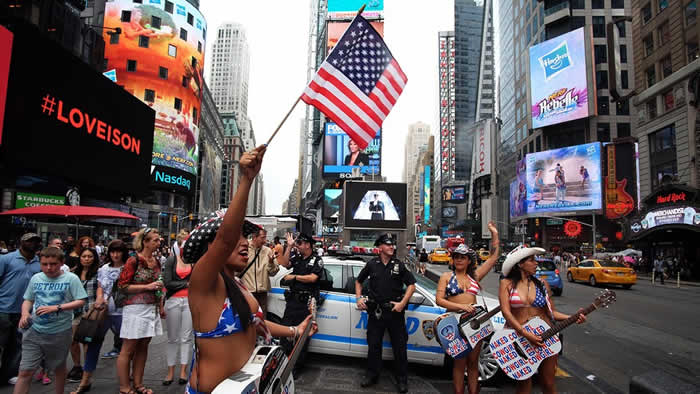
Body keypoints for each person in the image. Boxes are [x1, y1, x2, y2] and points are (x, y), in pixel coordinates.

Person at [182, 145, 317, 393]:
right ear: (212, 247)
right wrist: (246, 179)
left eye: (246, 236)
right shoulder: (204, 281)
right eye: (239, 236)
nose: (244, 242)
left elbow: (258, 324)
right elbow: (225, 238)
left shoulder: (237, 283)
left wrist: (295, 330)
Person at [498, 245, 586, 394]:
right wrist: (525, 333)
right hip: (519, 339)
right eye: (532, 260)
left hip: (545, 337)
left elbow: (552, 313)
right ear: (520, 264)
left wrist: (572, 317)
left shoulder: (542, 284)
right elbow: (506, 312)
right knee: (524, 384)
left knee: (548, 383)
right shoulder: (506, 284)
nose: (536, 263)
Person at [435, 223, 499, 394]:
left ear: (469, 260)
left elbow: (493, 258)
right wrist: (461, 306)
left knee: (473, 362)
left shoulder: (475, 277)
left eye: (462, 257)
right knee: (459, 362)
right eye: (456, 257)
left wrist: (495, 234)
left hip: (474, 323)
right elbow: (439, 300)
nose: (459, 260)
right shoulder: (446, 277)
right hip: (455, 324)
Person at [13, 246, 87, 394]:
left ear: (61, 263)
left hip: (59, 332)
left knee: (58, 369)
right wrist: (24, 314)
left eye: (53, 264)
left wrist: (57, 307)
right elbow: (28, 299)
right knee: (25, 372)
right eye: (44, 264)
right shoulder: (36, 278)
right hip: (34, 331)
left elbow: (81, 300)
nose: (48, 268)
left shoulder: (71, 279)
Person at [355, 233, 416, 393]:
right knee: (374, 346)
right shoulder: (372, 264)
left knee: (400, 348)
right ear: (380, 247)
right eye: (388, 244)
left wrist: (403, 303)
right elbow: (358, 281)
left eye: (392, 244)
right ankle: (372, 376)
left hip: (395, 313)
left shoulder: (399, 265)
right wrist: (359, 298)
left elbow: (411, 285)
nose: (391, 247)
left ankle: (402, 380)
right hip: (376, 312)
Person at [116, 228, 164, 394]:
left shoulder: (156, 260)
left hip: (151, 307)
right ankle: (124, 387)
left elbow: (159, 282)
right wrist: (146, 286)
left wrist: (160, 305)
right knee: (128, 348)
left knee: (144, 346)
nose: (158, 243)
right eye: (155, 240)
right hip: (134, 308)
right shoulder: (133, 259)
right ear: (145, 242)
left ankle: (138, 384)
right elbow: (122, 286)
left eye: (158, 240)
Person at [276, 232, 323, 375]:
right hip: (292, 302)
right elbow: (284, 263)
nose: (297, 245)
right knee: (285, 332)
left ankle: (296, 367)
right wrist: (289, 247)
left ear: (308, 245)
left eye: (299, 243)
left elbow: (312, 278)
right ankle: (283, 363)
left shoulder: (317, 259)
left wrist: (295, 276)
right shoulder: (297, 256)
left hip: (306, 303)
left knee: (302, 337)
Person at [0, 233, 42, 385]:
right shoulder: (6, 259)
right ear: (21, 242)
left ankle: (6, 375)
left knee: (17, 345)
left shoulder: (39, 263)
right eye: (30, 241)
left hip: (25, 311)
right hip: (3, 309)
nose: (33, 244)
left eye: (36, 241)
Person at [162, 230, 193, 386]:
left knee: (186, 338)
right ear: (179, 245)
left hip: (189, 301)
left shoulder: (194, 261)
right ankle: (170, 371)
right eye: (184, 244)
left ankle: (183, 371)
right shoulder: (171, 260)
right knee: (172, 338)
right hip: (173, 301)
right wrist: (187, 284)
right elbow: (168, 283)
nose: (186, 248)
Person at [99, 240, 128, 360]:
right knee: (96, 339)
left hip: (123, 309)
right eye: (113, 252)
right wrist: (99, 298)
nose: (115, 255)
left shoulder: (127, 267)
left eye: (118, 252)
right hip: (105, 309)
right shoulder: (104, 268)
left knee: (124, 337)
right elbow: (100, 286)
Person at [241, 228, 278, 318]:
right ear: (254, 237)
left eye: (265, 238)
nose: (265, 241)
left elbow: (273, 272)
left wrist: (271, 262)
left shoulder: (268, 251)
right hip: (247, 292)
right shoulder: (244, 248)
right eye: (262, 238)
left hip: (262, 293)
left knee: (262, 319)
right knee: (247, 319)